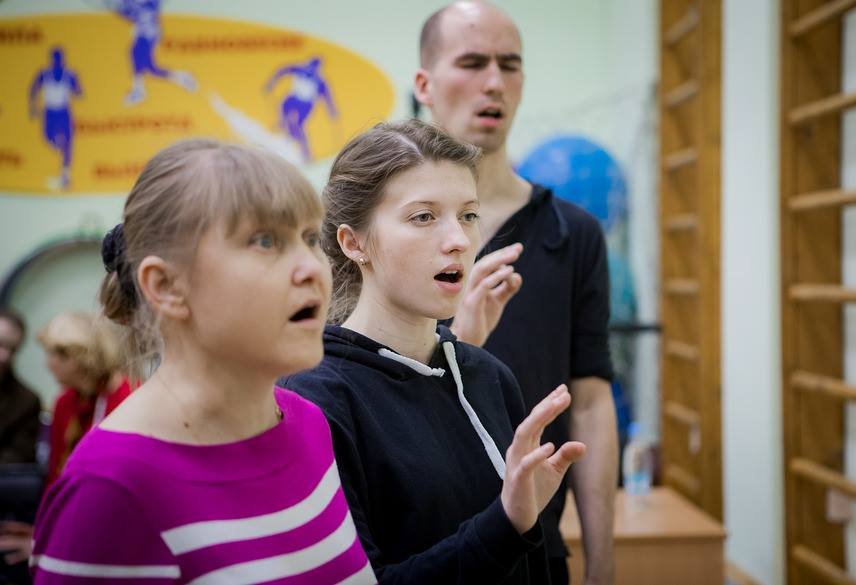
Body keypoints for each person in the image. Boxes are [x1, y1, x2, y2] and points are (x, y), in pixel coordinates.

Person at [30, 139, 376, 584]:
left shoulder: (308, 423)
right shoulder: (110, 488)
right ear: (166, 286)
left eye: (310, 238)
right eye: (265, 240)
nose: (312, 267)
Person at [280, 119, 586, 584]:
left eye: (468, 215)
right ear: (354, 242)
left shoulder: (490, 377)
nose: (459, 239)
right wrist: (505, 524)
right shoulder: (314, 399)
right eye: (423, 217)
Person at [414, 3, 617, 583]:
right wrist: (459, 338)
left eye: (509, 64)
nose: (494, 82)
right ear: (424, 84)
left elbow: (591, 403)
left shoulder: (572, 232)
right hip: (418, 549)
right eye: (472, 63)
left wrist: (603, 563)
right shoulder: (387, 232)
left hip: (537, 550)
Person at [37, 312, 132, 486]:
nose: (48, 365)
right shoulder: (64, 401)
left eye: (56, 355)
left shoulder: (129, 396)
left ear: (81, 358)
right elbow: (55, 471)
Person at [105, 0, 197, 105]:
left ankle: (139, 91)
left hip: (148, 33)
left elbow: (134, 12)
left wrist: (121, 9)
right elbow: (128, 13)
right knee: (151, 69)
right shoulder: (132, 4)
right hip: (145, 32)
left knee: (136, 54)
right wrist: (119, 9)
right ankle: (182, 77)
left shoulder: (148, 3)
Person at [264, 56, 338, 162]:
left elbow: (327, 98)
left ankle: (305, 153)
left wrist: (332, 110)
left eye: (314, 69)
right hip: (293, 99)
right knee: (285, 108)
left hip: (305, 105)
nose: (311, 70)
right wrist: (271, 83)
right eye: (310, 67)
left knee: (297, 126)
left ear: (317, 69)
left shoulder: (320, 81)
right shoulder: (300, 70)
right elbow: (283, 71)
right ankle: (283, 127)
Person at [28, 47, 82, 190]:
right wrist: (32, 108)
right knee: (50, 139)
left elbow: (78, 91)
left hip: (64, 112)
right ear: (51, 60)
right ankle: (61, 164)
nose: (57, 62)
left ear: (63, 60)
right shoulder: (44, 74)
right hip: (49, 113)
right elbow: (33, 89)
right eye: (55, 59)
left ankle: (65, 176)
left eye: (60, 59)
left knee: (68, 144)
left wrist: (76, 85)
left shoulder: (69, 74)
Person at [0, 309, 41, 466]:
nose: (5, 356)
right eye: (0, 344)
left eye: (13, 349)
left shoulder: (25, 401)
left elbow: (17, 456)